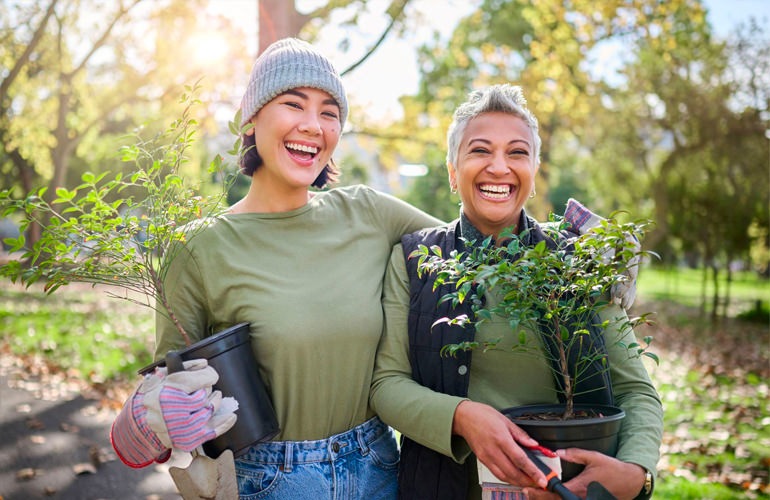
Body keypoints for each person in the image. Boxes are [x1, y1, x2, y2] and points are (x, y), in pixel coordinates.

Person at [109, 40, 633, 498]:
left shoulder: (369, 212)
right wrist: (146, 424)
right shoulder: (198, 248)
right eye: (294, 104)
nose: (312, 126)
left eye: (330, 112)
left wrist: (582, 252)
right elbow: (167, 386)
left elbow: (485, 240)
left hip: (382, 469)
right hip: (270, 481)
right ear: (252, 118)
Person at [369, 84, 663, 500]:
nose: (499, 167)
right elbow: (386, 383)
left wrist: (636, 472)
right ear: (453, 172)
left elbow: (635, 389)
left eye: (517, 153)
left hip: (568, 488)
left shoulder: (579, 263)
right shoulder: (416, 260)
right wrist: (462, 416)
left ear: (534, 173)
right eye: (479, 151)